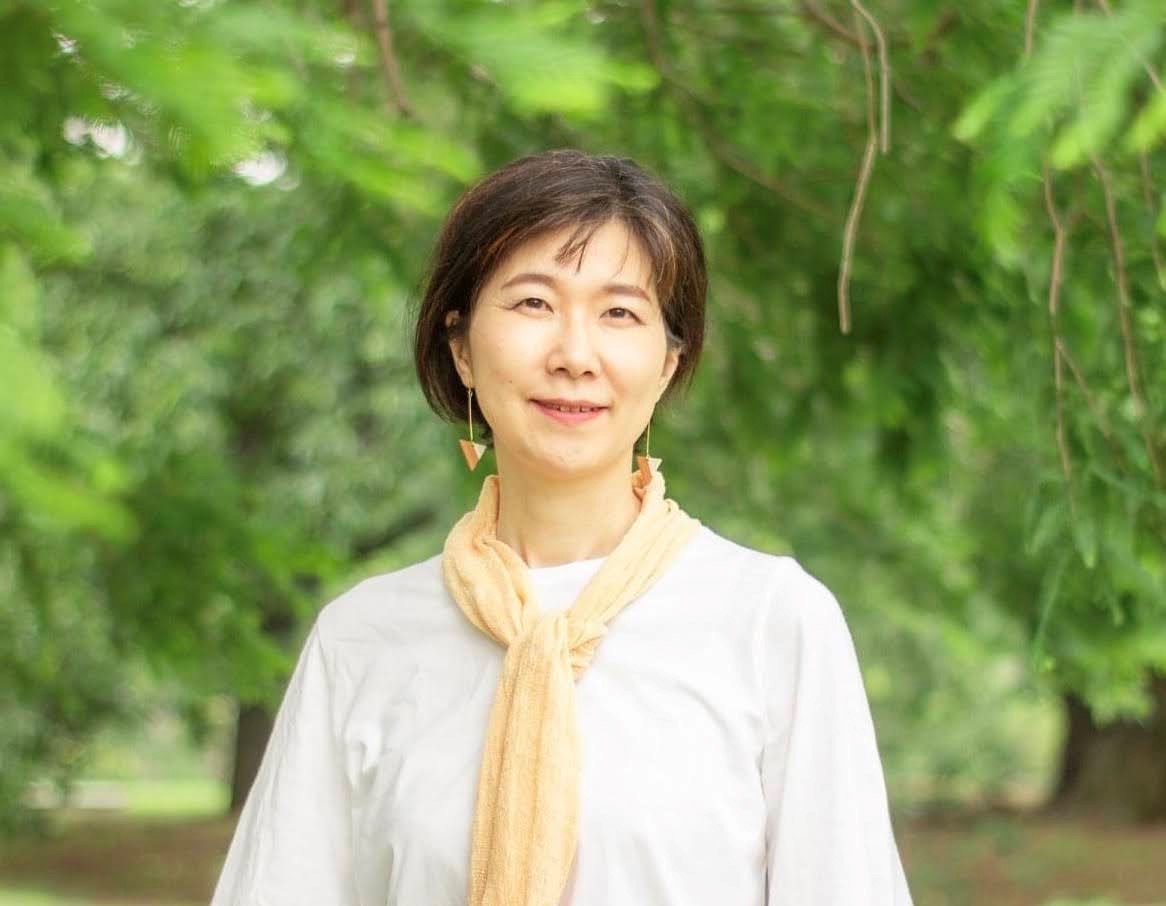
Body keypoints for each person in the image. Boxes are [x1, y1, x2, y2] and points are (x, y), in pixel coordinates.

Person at [210, 149, 914, 906]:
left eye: (620, 313)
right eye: (533, 304)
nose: (575, 356)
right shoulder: (362, 640)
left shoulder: (772, 621)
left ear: (668, 364)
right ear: (461, 349)